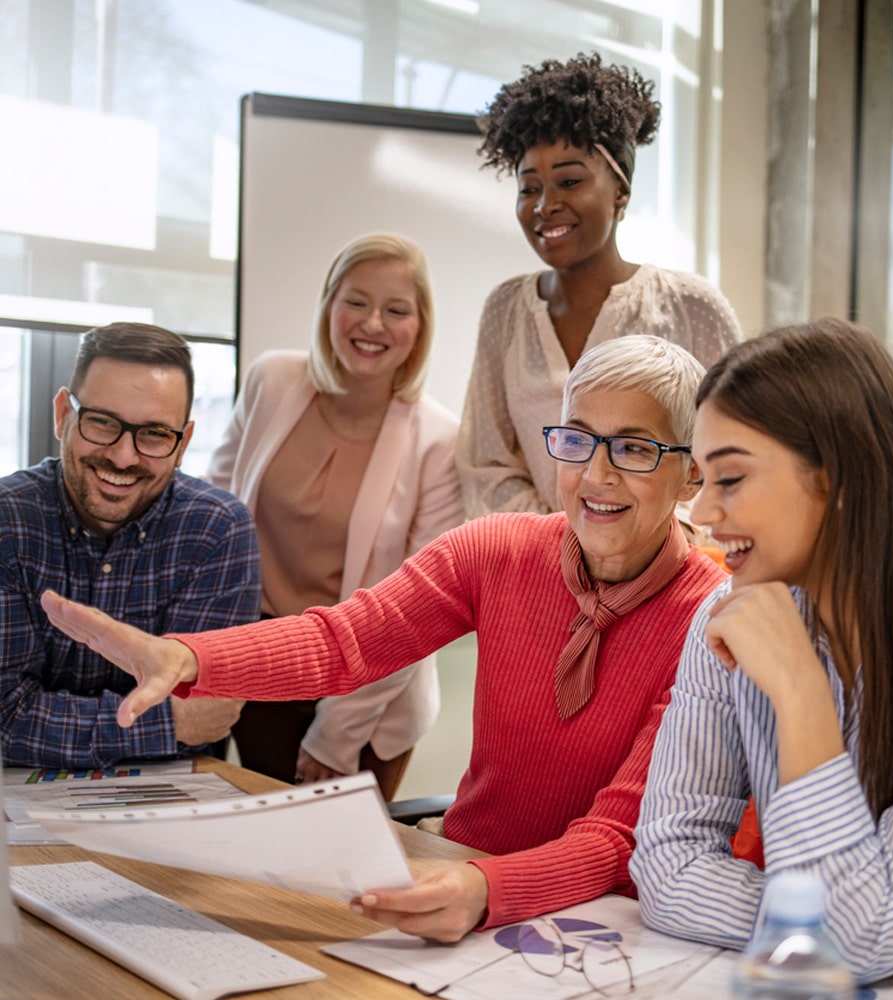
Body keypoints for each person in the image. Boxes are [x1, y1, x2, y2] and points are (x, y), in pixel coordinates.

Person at [41, 334, 740, 942]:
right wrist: (190, 657)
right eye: (577, 437)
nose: (597, 472)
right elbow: (343, 642)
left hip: (600, 924)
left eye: (636, 449)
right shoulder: (498, 550)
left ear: (690, 473)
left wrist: (486, 890)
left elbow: (619, 837)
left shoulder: (711, 621)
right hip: (459, 878)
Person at [628, 318, 893, 988]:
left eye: (731, 478)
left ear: (837, 478)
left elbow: (859, 943)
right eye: (700, 479)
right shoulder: (728, 620)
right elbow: (666, 869)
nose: (703, 512)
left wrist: (801, 694)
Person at [206, 232, 463, 797]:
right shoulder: (271, 379)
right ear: (328, 303)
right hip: (262, 669)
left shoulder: (440, 440)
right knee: (257, 863)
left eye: (396, 310)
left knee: (341, 875)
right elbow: (212, 518)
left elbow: (418, 608)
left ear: (420, 328)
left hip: (371, 694)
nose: (373, 324)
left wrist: (337, 734)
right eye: (356, 301)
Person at [456, 51, 742, 519]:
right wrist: (570, 544)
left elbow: (730, 455)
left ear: (621, 192)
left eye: (569, 181)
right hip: (539, 570)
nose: (545, 205)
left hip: (669, 574)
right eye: (529, 188)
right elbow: (486, 464)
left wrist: (639, 549)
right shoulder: (506, 310)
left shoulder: (691, 307)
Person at [0, 322, 259, 769]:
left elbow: (210, 714)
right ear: (64, 415)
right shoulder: (7, 521)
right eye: (102, 422)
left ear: (183, 444)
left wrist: (54, 721)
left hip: (168, 802)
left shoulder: (218, 530)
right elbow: (6, 716)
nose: (123, 457)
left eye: (155, 434)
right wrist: (168, 724)